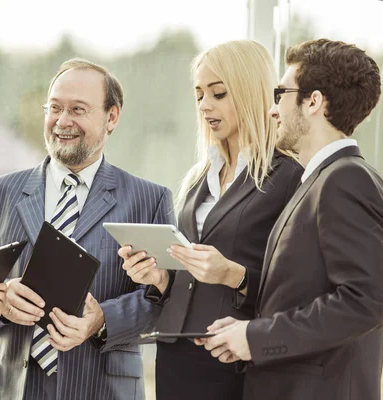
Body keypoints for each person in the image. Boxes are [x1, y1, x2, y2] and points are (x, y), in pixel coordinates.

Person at [0, 58, 175, 400]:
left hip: (103, 389)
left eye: (77, 109)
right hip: (10, 390)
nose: (62, 122)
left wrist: (102, 319)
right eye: (55, 108)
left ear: (111, 117)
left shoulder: (150, 199)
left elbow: (165, 300)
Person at [118, 40, 303, 400]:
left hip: (233, 358)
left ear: (250, 93)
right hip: (177, 353)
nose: (204, 105)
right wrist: (158, 278)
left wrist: (233, 274)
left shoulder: (288, 178)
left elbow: (297, 287)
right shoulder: (199, 178)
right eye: (199, 94)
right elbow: (188, 276)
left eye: (217, 93)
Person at [200, 38, 383, 400]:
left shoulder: (345, 179)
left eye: (281, 92)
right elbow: (303, 293)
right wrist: (247, 332)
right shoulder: (321, 179)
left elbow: (365, 299)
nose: (272, 109)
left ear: (314, 101)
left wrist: (256, 338)